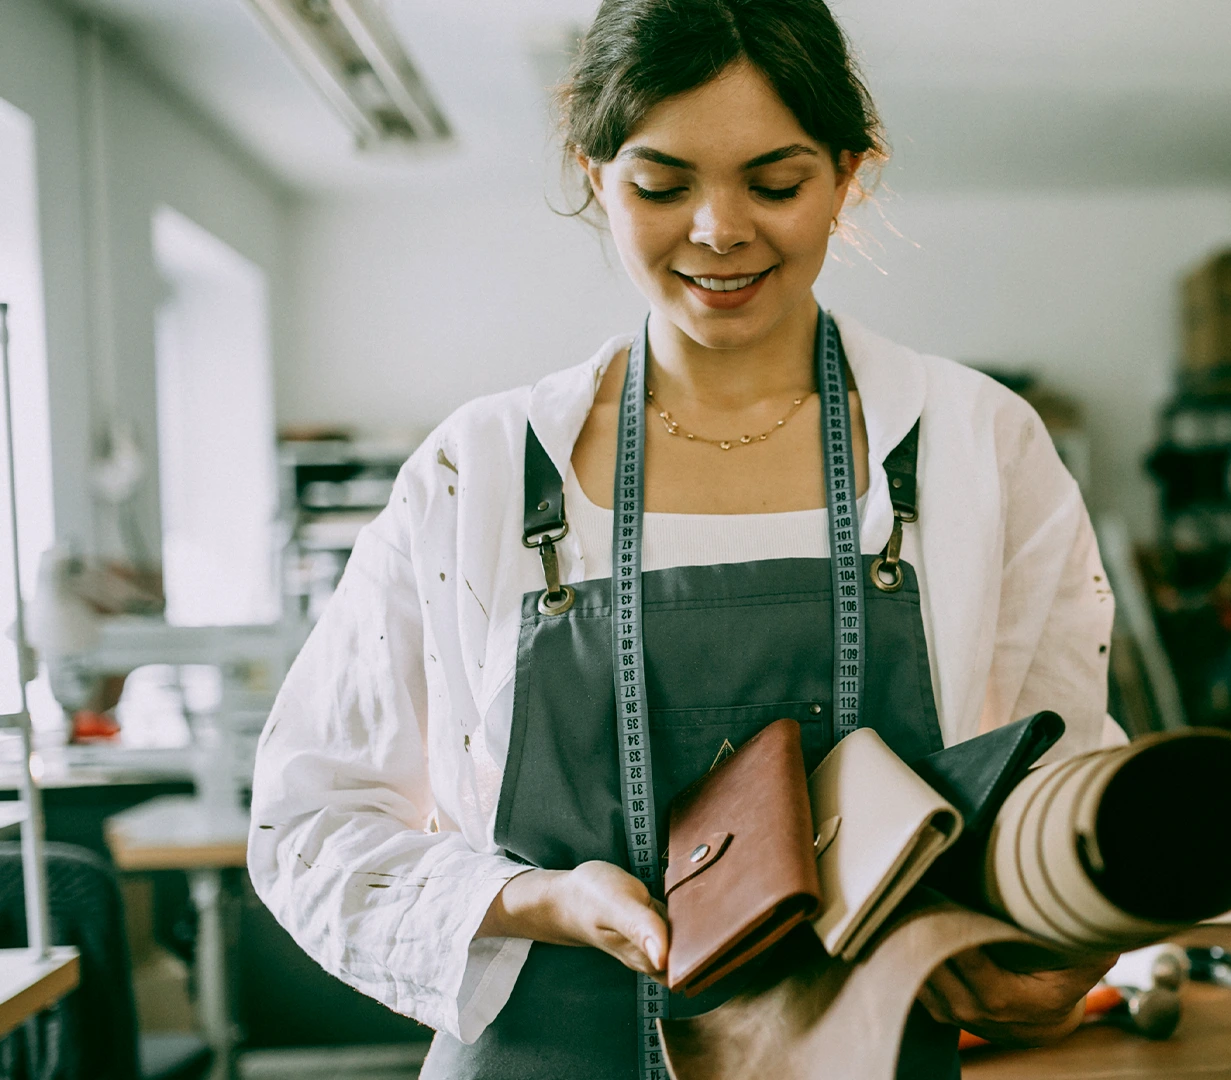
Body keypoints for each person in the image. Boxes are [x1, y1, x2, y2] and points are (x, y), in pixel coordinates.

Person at [247, 1, 1118, 1076]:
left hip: (864, 1046)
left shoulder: (975, 444)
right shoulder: (480, 468)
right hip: (545, 1050)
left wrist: (1059, 937)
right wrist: (540, 899)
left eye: (776, 182)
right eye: (662, 185)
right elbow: (311, 823)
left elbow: (1067, 765)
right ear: (595, 177)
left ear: (849, 174)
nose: (718, 229)